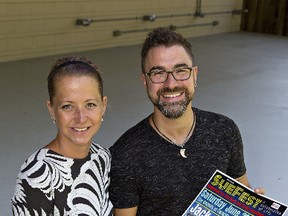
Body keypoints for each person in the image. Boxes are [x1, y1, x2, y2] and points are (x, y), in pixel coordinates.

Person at [109, 27, 264, 216]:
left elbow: (241, 188)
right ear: (145, 81)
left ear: (195, 74)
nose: (171, 84)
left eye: (180, 70)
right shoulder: (125, 154)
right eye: (158, 73)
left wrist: (253, 205)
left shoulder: (224, 130)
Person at [11, 56, 113, 215]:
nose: (80, 117)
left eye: (90, 104)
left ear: (103, 105)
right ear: (51, 109)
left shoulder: (104, 158)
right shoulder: (37, 175)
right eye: (67, 106)